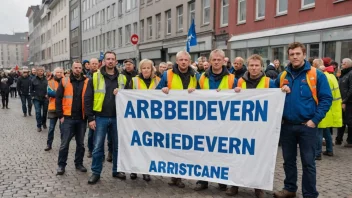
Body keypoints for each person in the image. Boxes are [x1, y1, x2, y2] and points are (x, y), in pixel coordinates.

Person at [274, 42, 332, 198]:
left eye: (298, 54)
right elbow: (271, 95)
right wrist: (280, 90)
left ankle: (310, 194)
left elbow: (326, 98)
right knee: (288, 161)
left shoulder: (315, 74)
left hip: (307, 126)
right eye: (292, 54)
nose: (295, 57)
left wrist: (315, 120)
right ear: (289, 56)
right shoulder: (283, 75)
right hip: (287, 126)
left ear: (304, 55)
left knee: (308, 163)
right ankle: (290, 189)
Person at [227, 54, 280, 198]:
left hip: (261, 128)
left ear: (261, 67)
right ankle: (235, 184)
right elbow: (227, 100)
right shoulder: (239, 82)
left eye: (257, 65)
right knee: (237, 156)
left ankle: (258, 186)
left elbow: (278, 98)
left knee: (259, 156)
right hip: (241, 126)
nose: (254, 68)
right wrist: (233, 92)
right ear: (247, 66)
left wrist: (285, 89)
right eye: (251, 65)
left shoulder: (269, 82)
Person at [194, 49, 236, 192]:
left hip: (224, 122)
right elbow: (196, 97)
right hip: (205, 120)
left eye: (219, 59)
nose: (216, 62)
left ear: (224, 61)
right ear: (210, 61)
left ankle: (221, 180)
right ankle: (203, 180)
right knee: (203, 150)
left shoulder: (232, 78)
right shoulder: (201, 78)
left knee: (222, 151)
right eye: (214, 60)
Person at [156, 50, 199, 188]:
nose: (183, 62)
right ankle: (175, 176)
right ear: (177, 61)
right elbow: (155, 93)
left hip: (189, 117)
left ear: (190, 61)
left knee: (184, 147)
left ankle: (179, 175)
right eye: (181, 60)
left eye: (186, 60)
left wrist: (196, 91)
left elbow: (204, 94)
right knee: (173, 146)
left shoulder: (196, 75)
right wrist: (163, 90)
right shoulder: (167, 74)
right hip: (172, 118)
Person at [85, 51, 125, 184]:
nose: (110, 61)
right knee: (97, 147)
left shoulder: (122, 78)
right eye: (108, 59)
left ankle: (116, 170)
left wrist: (122, 92)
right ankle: (96, 173)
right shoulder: (95, 77)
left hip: (117, 118)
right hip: (100, 117)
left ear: (116, 61)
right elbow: (88, 98)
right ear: (104, 61)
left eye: (112, 59)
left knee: (117, 147)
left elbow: (129, 96)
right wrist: (90, 118)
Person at [129, 59, 161, 181]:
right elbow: (126, 96)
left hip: (152, 120)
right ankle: (134, 169)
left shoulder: (158, 81)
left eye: (148, 68)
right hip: (136, 119)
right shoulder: (134, 81)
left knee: (148, 145)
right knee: (136, 145)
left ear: (152, 69)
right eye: (144, 68)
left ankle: (145, 170)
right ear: (140, 69)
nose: (146, 70)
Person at [56, 60, 89, 175]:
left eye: (79, 68)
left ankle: (79, 163)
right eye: (75, 68)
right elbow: (58, 98)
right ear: (72, 69)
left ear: (82, 69)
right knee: (65, 144)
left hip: (81, 118)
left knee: (80, 143)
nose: (77, 70)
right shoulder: (65, 81)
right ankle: (61, 165)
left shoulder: (87, 81)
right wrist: (60, 115)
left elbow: (89, 99)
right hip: (67, 117)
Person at [312, 60, 342, 160]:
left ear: (315, 66)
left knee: (318, 132)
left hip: (321, 107)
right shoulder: (331, 76)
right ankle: (329, 150)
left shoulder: (321, 76)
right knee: (326, 131)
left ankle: (317, 153)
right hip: (330, 108)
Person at [44, 67, 63, 151]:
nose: (58, 74)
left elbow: (68, 93)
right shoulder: (50, 82)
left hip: (63, 109)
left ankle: (63, 145)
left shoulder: (66, 81)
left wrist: (56, 92)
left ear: (62, 73)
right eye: (57, 72)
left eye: (60, 72)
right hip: (53, 108)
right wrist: (60, 93)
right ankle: (49, 144)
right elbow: (50, 92)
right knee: (51, 128)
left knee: (62, 128)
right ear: (54, 73)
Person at [336, 58, 352, 147]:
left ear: (347, 64)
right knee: (341, 121)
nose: (342, 64)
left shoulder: (350, 74)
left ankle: (350, 141)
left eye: (343, 63)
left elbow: (351, 89)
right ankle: (339, 138)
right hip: (342, 101)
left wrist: (345, 101)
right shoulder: (344, 74)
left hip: (348, 102)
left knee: (349, 121)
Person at [86, 58, 100, 158]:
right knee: (91, 132)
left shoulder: (101, 75)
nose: (94, 65)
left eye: (96, 63)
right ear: (89, 65)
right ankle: (90, 149)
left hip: (99, 106)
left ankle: (98, 149)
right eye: (92, 64)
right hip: (90, 107)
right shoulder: (86, 76)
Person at [31, 66, 49, 132]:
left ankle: (44, 122)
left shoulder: (47, 79)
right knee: (38, 112)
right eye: (38, 71)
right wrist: (32, 96)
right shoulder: (33, 79)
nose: (40, 72)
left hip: (45, 98)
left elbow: (49, 88)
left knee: (44, 112)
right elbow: (31, 89)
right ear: (36, 72)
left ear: (43, 72)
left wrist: (48, 94)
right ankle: (39, 126)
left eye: (41, 71)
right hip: (36, 98)